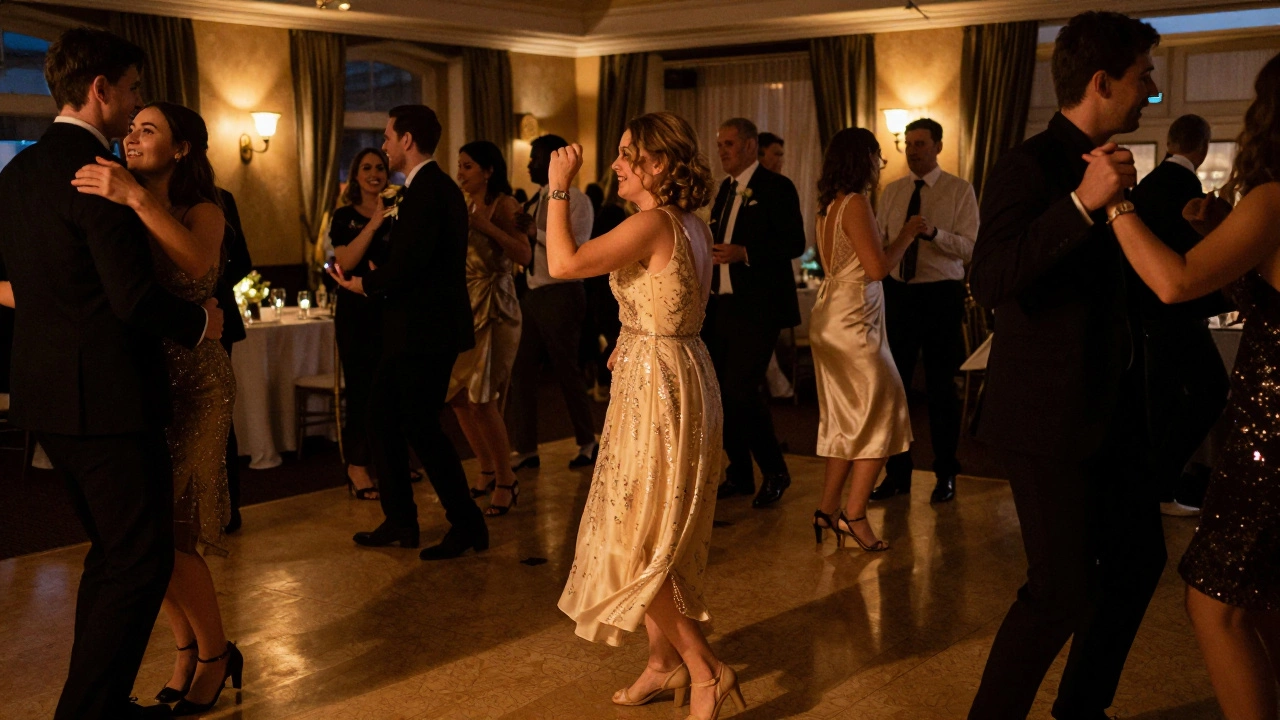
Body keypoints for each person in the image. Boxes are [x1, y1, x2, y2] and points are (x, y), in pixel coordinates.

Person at [0, 29, 224, 720]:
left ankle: (98, 701)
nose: (132, 106)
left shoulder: (16, 173)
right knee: (141, 560)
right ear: (100, 89)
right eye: (130, 90)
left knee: (113, 555)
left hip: (45, 397)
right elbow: (129, 298)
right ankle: (88, 710)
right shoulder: (95, 174)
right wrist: (201, 325)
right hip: (110, 400)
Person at [967, 12, 1166, 719]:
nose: (1153, 89)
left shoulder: (1115, 159)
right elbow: (990, 278)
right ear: (1102, 81)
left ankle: (1080, 709)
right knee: (1059, 592)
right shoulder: (1030, 165)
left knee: (1139, 563)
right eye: (1144, 76)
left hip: (1109, 410)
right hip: (1045, 415)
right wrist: (1082, 205)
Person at [1105, 50, 1280, 720]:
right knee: (1263, 598)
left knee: (1215, 604)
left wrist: (1116, 201)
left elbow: (1174, 282)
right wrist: (1217, 231)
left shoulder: (1271, 197)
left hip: (1271, 433)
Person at [552, 112, 744, 720]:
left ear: (657, 165)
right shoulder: (689, 223)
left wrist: (559, 186)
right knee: (661, 532)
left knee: (636, 540)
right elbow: (669, 310)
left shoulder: (651, 223)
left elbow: (563, 264)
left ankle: (705, 669)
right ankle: (662, 666)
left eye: (626, 153)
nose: (614, 165)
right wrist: (629, 345)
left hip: (659, 388)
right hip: (678, 372)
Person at [72, 101, 243, 716]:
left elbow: (197, 262)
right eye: (132, 128)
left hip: (196, 384)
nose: (132, 137)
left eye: (149, 130)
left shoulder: (203, 207)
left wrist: (136, 198)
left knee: (170, 536)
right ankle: (187, 649)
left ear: (181, 150)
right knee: (147, 539)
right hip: (142, 384)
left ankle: (216, 655)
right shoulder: (114, 206)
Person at [329, 104, 488, 561]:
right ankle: (401, 519)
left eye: (387, 137)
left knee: (418, 424)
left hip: (425, 329)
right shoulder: (425, 190)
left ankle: (466, 523)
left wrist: (366, 284)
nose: (382, 144)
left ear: (407, 140)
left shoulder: (429, 191)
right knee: (383, 416)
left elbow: (413, 264)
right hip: (414, 327)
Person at [810, 128, 914, 552]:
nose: (880, 166)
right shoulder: (855, 204)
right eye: (878, 157)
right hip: (854, 321)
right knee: (883, 411)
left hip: (831, 314)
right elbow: (876, 269)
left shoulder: (828, 206)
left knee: (845, 421)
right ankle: (855, 516)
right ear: (864, 160)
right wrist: (906, 234)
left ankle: (826, 508)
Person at [869, 118, 979, 504]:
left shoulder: (959, 190)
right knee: (893, 389)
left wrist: (934, 234)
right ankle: (897, 473)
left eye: (920, 143)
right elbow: (881, 243)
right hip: (898, 295)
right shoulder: (892, 192)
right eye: (908, 144)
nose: (912, 150)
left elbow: (971, 248)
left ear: (938, 146)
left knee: (940, 390)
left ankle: (946, 472)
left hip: (940, 296)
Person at [1130, 114, 1230, 517]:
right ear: (1202, 147)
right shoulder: (1188, 189)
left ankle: (1158, 489)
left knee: (1164, 401)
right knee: (1211, 390)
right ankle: (1161, 481)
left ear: (1171, 143)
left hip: (1144, 315)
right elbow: (1197, 261)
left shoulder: (1147, 187)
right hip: (1175, 313)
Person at [705, 117, 806, 508]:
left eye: (729, 143)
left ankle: (776, 470)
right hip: (723, 305)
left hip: (760, 307)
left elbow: (794, 242)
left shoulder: (777, 187)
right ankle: (740, 472)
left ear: (750, 146)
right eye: (720, 145)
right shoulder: (726, 190)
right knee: (719, 393)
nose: (723, 151)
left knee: (740, 389)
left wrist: (745, 253)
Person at [448, 140, 529, 516]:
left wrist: (485, 227)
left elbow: (524, 255)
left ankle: (506, 479)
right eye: (460, 166)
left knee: (483, 398)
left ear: (488, 170)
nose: (461, 172)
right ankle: (484, 468)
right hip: (464, 305)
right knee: (459, 396)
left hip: (497, 305)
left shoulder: (507, 205)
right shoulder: (459, 204)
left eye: (467, 166)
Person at [508, 134, 598, 471]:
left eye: (534, 158)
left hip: (562, 293)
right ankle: (527, 448)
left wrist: (536, 233)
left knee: (566, 371)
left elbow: (578, 245)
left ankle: (587, 442)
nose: (529, 164)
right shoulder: (535, 200)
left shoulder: (577, 200)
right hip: (532, 292)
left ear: (552, 161)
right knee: (522, 372)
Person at [328, 148, 395, 502]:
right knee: (361, 390)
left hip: (390, 310)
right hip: (356, 312)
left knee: (390, 391)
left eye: (380, 167)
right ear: (355, 176)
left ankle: (388, 462)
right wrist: (374, 224)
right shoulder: (344, 216)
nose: (374, 173)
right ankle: (357, 465)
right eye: (366, 167)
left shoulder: (400, 212)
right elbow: (346, 260)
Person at [215, 187, 251, 534]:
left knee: (217, 414)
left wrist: (209, 287)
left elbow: (242, 260)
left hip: (215, 320)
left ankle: (226, 507)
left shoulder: (221, 198)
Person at [582, 181, 625, 398]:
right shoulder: (614, 214)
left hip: (602, 290)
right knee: (615, 339)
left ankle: (602, 382)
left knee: (614, 339)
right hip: (608, 292)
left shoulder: (608, 214)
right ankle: (603, 381)